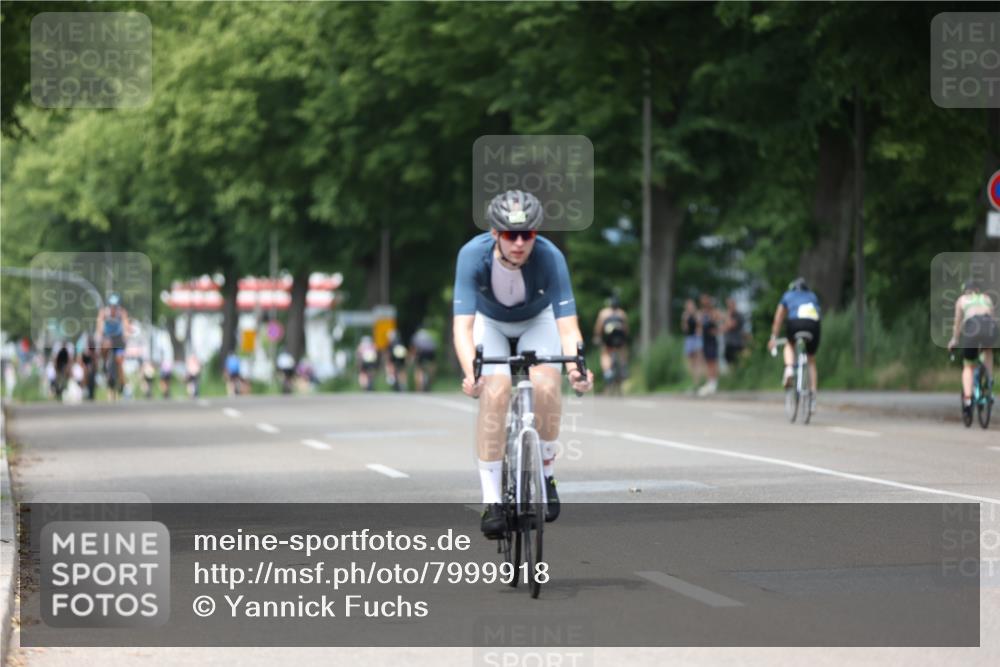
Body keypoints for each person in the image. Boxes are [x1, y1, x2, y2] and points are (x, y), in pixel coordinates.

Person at [452, 189, 594, 539]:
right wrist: (473, 373)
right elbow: (462, 327)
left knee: (547, 384)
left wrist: (576, 367)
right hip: (491, 323)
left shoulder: (550, 257)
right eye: (510, 235)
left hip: (537, 321)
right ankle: (492, 501)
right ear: (494, 234)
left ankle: (546, 472)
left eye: (527, 234)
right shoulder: (472, 256)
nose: (519, 243)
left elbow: (567, 326)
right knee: (496, 391)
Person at [767, 277, 822, 411]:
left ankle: (789, 369)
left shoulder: (788, 295)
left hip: (795, 323)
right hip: (813, 325)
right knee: (811, 359)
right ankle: (813, 397)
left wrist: (773, 337)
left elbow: (778, 317)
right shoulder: (812, 296)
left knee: (789, 344)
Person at [947, 279, 997, 420]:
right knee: (987, 350)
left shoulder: (962, 300)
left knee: (968, 365)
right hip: (989, 326)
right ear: (978, 290)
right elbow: (992, 318)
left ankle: (968, 400)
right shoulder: (986, 298)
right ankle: (988, 378)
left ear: (965, 290)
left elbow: (957, 324)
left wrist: (954, 340)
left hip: (972, 327)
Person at [94, 292, 130, 398]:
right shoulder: (104, 313)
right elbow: (99, 325)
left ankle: (122, 384)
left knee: (119, 360)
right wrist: (99, 334)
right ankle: (104, 363)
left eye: (115, 306)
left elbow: (125, 324)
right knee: (105, 345)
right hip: (108, 337)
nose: (113, 309)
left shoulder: (122, 312)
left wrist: (126, 334)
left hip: (118, 339)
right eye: (112, 306)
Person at [592, 291, 629, 388]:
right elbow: (626, 329)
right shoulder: (622, 313)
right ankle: (623, 367)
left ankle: (608, 372)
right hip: (620, 337)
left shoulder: (604, 313)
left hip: (608, 338)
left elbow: (599, 327)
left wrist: (597, 337)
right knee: (622, 350)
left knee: (605, 353)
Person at [697, 294, 722, 396]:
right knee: (708, 361)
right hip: (705, 340)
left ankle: (714, 382)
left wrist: (717, 330)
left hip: (712, 340)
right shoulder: (702, 313)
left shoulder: (714, 312)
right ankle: (709, 382)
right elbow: (699, 326)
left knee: (713, 361)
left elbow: (720, 320)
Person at [681, 299, 703, 390]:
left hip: (696, 338)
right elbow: (684, 329)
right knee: (690, 363)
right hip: (689, 338)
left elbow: (700, 327)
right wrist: (685, 320)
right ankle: (694, 381)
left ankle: (698, 381)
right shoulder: (685, 315)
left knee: (698, 360)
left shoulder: (697, 314)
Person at [410, 324, 438, 392]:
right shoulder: (429, 335)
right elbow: (434, 345)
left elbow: (414, 348)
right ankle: (431, 379)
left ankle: (419, 386)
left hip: (422, 352)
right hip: (431, 352)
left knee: (419, 369)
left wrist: (412, 357)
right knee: (432, 365)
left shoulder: (416, 335)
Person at [723, 297, 747, 368]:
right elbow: (724, 328)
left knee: (740, 364)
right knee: (730, 364)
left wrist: (727, 315)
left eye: (730, 305)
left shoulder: (739, 315)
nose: (729, 307)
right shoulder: (728, 315)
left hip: (738, 343)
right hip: (729, 344)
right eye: (728, 305)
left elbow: (730, 325)